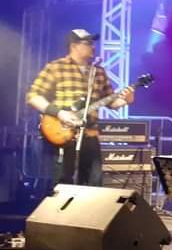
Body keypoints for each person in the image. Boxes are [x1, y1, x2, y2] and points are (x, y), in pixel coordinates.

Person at [26, 29, 134, 186]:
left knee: (94, 183)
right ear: (74, 46)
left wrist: (126, 100)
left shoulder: (98, 72)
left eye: (93, 43)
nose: (93, 47)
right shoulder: (56, 67)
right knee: (64, 182)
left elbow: (111, 102)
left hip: (90, 134)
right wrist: (60, 113)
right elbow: (33, 96)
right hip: (64, 133)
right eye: (88, 43)